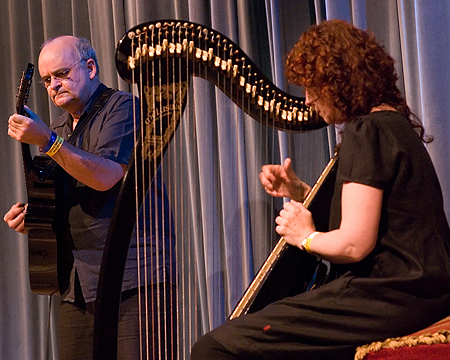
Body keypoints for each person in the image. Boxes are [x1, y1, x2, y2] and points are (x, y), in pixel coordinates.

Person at [191, 19, 450, 360]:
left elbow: (355, 244)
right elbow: (380, 219)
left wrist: (305, 236)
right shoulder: (393, 124)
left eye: (313, 87)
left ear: (339, 82)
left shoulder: (365, 132)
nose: (309, 99)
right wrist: (299, 190)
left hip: (389, 293)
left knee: (215, 347)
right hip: (424, 290)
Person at [4, 36, 176, 359]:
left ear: (91, 67)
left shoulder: (124, 108)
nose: (54, 85)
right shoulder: (59, 128)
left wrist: (48, 141)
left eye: (61, 74)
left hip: (133, 279)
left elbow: (106, 175)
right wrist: (35, 218)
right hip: (78, 285)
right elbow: (66, 201)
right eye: (47, 80)